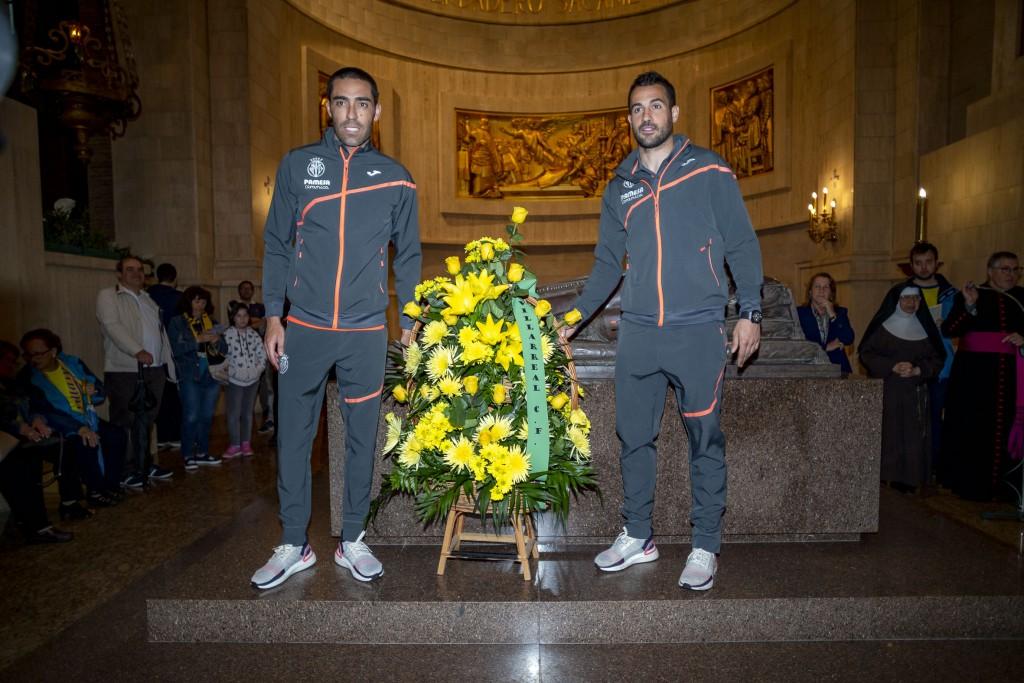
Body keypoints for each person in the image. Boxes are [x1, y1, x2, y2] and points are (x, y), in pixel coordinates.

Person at [561, 71, 763, 591]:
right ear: (628, 118)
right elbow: (607, 267)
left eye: (655, 106)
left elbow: (741, 244)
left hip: (697, 330)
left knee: (704, 437)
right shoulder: (619, 186)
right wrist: (566, 322)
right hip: (639, 333)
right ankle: (637, 535)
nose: (645, 116)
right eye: (636, 109)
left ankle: (705, 545)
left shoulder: (709, 170)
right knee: (633, 438)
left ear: (674, 115)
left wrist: (750, 312)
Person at [252, 66, 421, 589]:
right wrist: (273, 315)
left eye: (362, 104)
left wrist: (410, 317)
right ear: (327, 108)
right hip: (302, 326)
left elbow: (409, 254)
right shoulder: (299, 166)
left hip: (366, 331)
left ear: (377, 112)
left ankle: (353, 539)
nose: (352, 113)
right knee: (294, 439)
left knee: (361, 439)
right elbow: (278, 243)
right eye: (342, 102)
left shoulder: (397, 177)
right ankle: (294, 543)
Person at [940, 251, 1024, 501]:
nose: (1011, 274)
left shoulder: (1022, 298)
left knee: (1009, 425)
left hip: (1012, 377)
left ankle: (1008, 489)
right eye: (1005, 269)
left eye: (1015, 269)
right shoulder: (973, 293)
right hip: (974, 377)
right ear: (990, 271)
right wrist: (969, 306)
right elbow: (950, 329)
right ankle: (971, 485)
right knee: (973, 426)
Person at [19, 328, 126, 511]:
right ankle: (95, 491)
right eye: (29, 355)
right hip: (60, 424)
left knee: (116, 435)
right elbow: (44, 411)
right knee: (85, 441)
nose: (34, 359)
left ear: (53, 351)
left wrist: (95, 392)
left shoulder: (72, 363)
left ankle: (110, 484)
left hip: (87, 416)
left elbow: (99, 389)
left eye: (38, 353)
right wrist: (78, 427)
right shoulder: (28, 377)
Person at [95, 255, 176, 489]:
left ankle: (144, 464)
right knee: (126, 420)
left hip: (154, 369)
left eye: (140, 270)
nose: (136, 273)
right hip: (126, 369)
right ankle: (126, 469)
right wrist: (136, 350)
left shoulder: (148, 299)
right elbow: (112, 327)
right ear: (119, 273)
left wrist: (167, 363)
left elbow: (160, 333)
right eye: (130, 269)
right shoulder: (109, 296)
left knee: (147, 420)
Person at [858, 287, 946, 492]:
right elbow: (866, 354)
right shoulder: (883, 327)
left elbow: (937, 359)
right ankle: (885, 481)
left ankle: (910, 482)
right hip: (889, 391)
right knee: (890, 435)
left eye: (915, 298)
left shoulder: (926, 328)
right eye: (906, 298)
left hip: (916, 393)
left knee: (913, 439)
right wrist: (892, 366)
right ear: (897, 301)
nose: (911, 302)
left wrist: (918, 370)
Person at [0, 340, 73, 543]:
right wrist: (19, 428)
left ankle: (64, 506)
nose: (13, 366)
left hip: (18, 440)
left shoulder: (13, 383)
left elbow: (32, 404)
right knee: (19, 465)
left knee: (54, 447)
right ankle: (36, 527)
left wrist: (37, 419)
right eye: (8, 361)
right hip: (8, 443)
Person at [901, 242, 956, 476]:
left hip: (942, 366)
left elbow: (964, 327)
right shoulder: (901, 292)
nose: (924, 267)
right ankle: (909, 465)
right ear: (911, 265)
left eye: (928, 262)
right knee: (910, 417)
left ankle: (934, 466)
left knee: (936, 416)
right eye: (918, 263)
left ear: (937, 263)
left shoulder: (951, 293)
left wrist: (951, 326)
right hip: (910, 362)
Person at [168, 286, 226, 472]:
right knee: (191, 416)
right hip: (189, 374)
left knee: (207, 416)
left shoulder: (213, 322)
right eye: (196, 300)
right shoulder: (177, 322)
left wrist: (218, 341)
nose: (200, 304)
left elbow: (224, 350)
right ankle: (187, 454)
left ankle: (202, 452)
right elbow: (175, 349)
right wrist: (197, 340)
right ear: (188, 302)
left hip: (211, 374)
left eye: (203, 301)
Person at [221, 303, 266, 459]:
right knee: (234, 414)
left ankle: (246, 443)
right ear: (233, 317)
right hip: (235, 381)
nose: (242, 319)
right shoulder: (227, 335)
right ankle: (235, 444)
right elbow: (223, 358)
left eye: (245, 316)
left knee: (247, 413)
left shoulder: (253, 334)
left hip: (253, 381)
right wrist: (232, 371)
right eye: (239, 316)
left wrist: (257, 370)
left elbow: (262, 354)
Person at [230, 280, 275, 435]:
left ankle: (269, 419)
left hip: (261, 352)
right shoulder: (233, 304)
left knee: (267, 387)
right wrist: (255, 322)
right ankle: (241, 426)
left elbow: (265, 323)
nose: (247, 291)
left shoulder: (261, 306)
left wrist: (255, 322)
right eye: (243, 288)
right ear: (239, 291)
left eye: (249, 288)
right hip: (241, 358)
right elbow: (246, 324)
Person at [146, 262, 183, 451]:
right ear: (175, 278)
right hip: (175, 353)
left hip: (152, 352)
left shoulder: (147, 295)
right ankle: (175, 435)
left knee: (158, 396)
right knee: (175, 395)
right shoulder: (180, 298)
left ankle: (160, 437)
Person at [797, 272, 855, 375]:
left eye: (826, 287)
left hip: (837, 369)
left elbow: (848, 338)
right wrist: (826, 347)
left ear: (831, 293)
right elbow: (799, 344)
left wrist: (832, 314)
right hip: (808, 370)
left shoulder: (840, 313)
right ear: (810, 292)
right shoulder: (799, 314)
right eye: (817, 286)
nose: (821, 290)